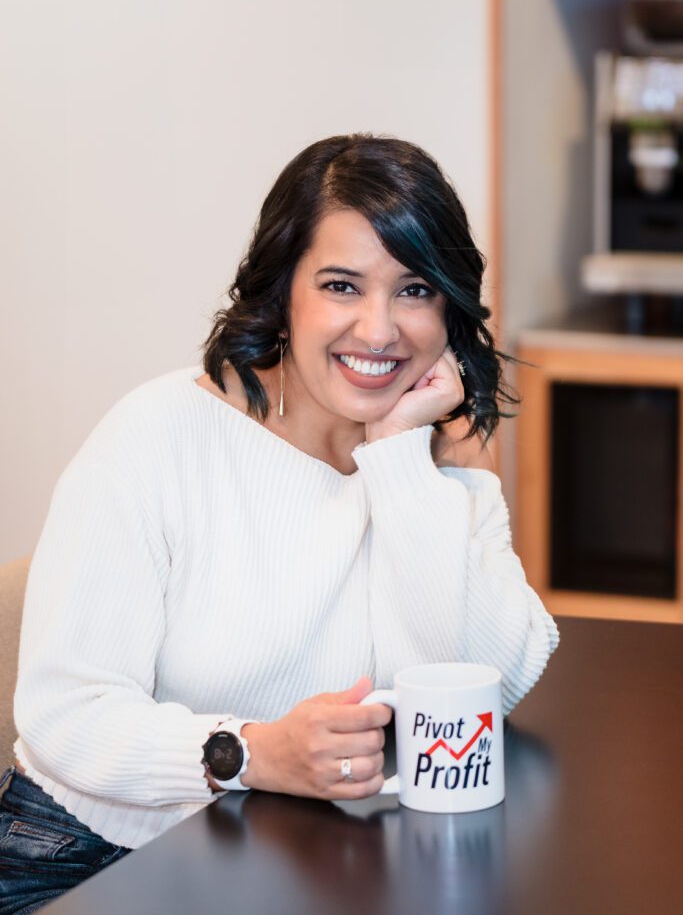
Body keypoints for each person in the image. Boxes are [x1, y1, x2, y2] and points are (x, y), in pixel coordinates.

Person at [1, 133, 559, 912]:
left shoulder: (433, 456)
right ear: (282, 293)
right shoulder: (159, 435)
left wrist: (403, 460)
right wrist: (252, 753)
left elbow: (478, 700)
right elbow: (67, 714)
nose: (377, 331)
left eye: (413, 290)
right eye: (340, 285)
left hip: (303, 864)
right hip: (90, 860)